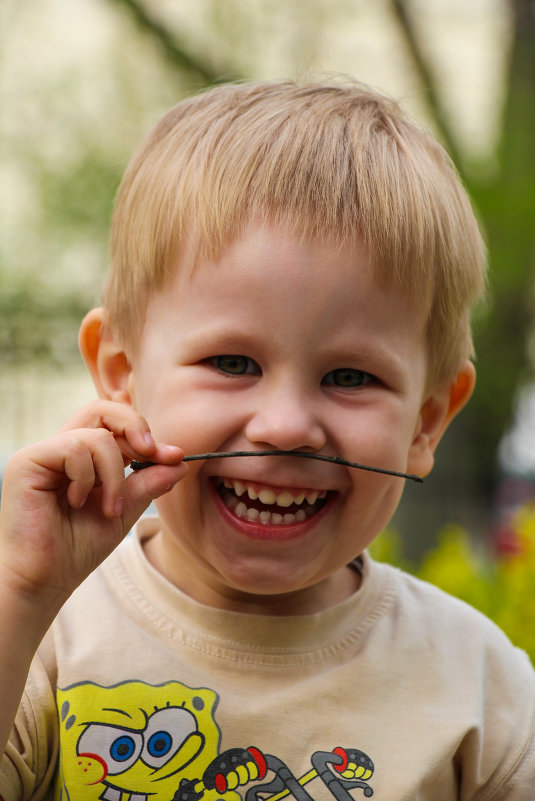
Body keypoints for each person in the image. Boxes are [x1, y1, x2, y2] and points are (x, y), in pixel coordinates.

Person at [0, 80, 533, 801]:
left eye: (349, 375)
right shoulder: (46, 639)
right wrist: (21, 589)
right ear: (121, 375)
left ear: (427, 419)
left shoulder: (482, 689)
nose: (284, 425)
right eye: (232, 363)